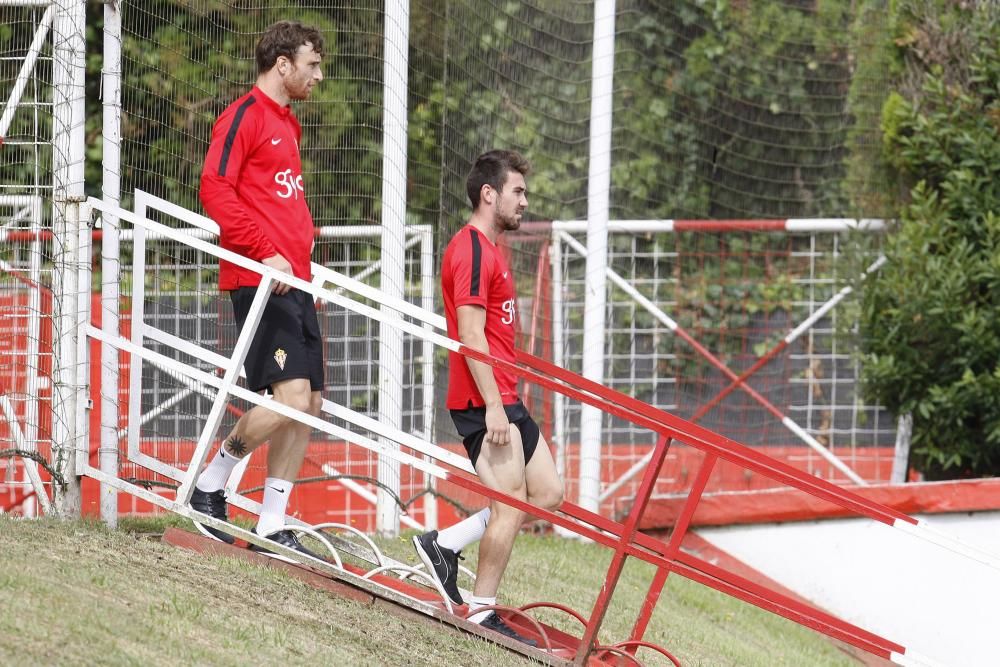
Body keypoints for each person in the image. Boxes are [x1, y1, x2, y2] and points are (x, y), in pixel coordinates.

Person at [413, 150, 564, 645]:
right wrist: (495, 405)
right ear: (489, 194)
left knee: (546, 493)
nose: (525, 201)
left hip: (504, 394)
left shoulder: (493, 249)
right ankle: (480, 610)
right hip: (484, 400)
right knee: (509, 505)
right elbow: (471, 335)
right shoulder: (473, 249)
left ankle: (445, 544)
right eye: (518, 191)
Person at [189, 20, 325, 561]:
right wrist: (262, 252)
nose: (318, 75)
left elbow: (282, 204)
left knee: (309, 404)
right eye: (311, 64)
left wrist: (302, 264)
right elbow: (213, 187)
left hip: (295, 280)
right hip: (260, 280)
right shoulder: (243, 115)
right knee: (288, 399)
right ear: (282, 64)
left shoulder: (288, 125)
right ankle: (209, 484)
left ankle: (272, 523)